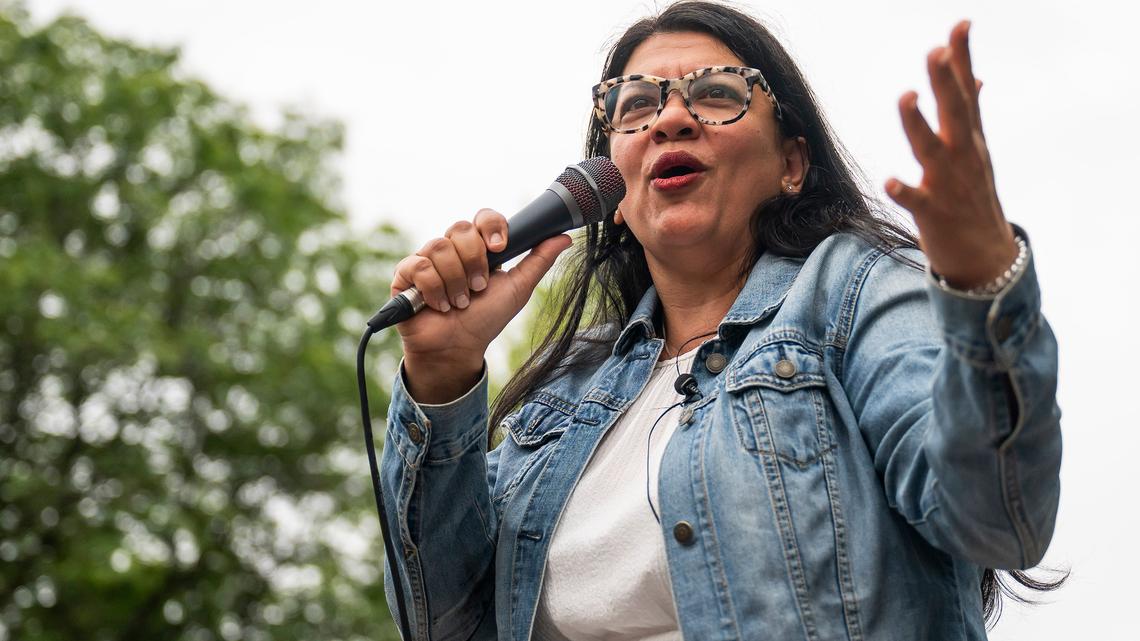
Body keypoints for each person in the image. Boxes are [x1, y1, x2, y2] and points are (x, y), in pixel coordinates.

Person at [379, 2, 1063, 639]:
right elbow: (441, 620)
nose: (670, 119)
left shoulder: (853, 294)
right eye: (637, 105)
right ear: (612, 191)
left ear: (792, 163)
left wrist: (983, 281)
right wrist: (440, 378)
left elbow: (997, 517)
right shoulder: (567, 390)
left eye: (717, 93)